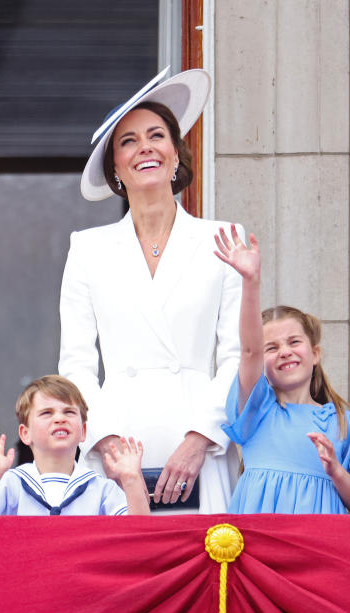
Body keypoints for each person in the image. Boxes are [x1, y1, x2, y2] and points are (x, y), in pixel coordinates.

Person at [60, 68, 242, 513]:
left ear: (175, 154)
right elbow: (77, 361)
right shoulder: (88, 248)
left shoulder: (225, 238)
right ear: (116, 170)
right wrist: (105, 441)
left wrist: (202, 437)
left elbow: (237, 355)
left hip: (201, 444)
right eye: (128, 141)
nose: (144, 147)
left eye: (156, 135)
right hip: (119, 446)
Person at [213, 228, 350, 514]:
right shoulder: (258, 411)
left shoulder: (345, 422)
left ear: (315, 354)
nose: (284, 351)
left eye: (294, 342)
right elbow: (249, 350)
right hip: (261, 544)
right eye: (271, 348)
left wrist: (336, 472)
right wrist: (251, 281)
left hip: (320, 544)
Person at [0, 375, 149, 516]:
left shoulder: (101, 488)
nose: (59, 418)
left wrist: (131, 480)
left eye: (69, 412)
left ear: (83, 432)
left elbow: (138, 537)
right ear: (25, 433)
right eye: (46, 413)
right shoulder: (12, 483)